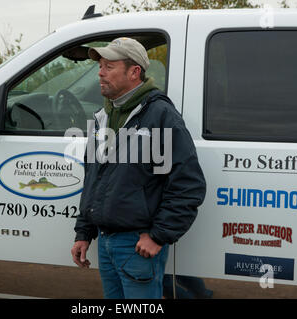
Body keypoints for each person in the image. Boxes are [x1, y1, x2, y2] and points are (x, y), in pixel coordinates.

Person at [70, 37, 206, 299]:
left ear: (134, 72)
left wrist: (158, 236)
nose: (100, 72)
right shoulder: (103, 116)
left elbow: (188, 185)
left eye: (109, 66)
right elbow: (94, 179)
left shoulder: (160, 116)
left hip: (136, 245)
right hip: (106, 241)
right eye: (100, 66)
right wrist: (84, 231)